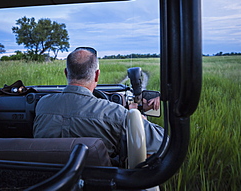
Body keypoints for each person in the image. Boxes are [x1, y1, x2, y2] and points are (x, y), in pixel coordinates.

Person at [33, 47, 164, 164]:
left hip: (49, 182)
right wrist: (138, 119)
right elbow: (163, 142)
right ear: (97, 75)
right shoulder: (115, 113)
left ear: (66, 73)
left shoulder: (42, 104)